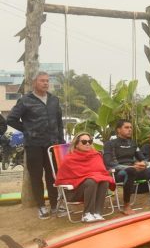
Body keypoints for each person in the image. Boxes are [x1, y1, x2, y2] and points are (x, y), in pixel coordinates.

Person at [7, 71, 64, 219]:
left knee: (53, 176)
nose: (45, 83)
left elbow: (59, 121)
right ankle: (41, 206)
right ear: (34, 83)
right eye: (42, 81)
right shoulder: (25, 100)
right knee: (36, 177)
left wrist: (61, 140)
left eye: (47, 81)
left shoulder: (54, 100)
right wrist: (28, 130)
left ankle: (54, 206)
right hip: (34, 145)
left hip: (52, 145)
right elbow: (11, 119)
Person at [103, 119, 150, 214]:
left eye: (131, 127)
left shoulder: (132, 143)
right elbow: (109, 163)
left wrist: (144, 163)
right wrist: (130, 167)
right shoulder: (110, 144)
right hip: (120, 173)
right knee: (131, 171)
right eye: (126, 127)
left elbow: (143, 158)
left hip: (137, 171)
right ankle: (126, 206)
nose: (130, 130)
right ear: (118, 130)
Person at [55, 133, 115, 223]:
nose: (87, 144)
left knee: (104, 181)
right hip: (73, 192)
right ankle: (87, 214)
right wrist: (90, 177)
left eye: (90, 141)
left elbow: (101, 173)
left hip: (92, 189)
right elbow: (63, 179)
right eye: (84, 142)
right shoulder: (70, 159)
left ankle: (97, 213)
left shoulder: (96, 156)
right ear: (76, 144)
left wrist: (94, 177)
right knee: (91, 181)